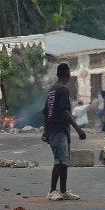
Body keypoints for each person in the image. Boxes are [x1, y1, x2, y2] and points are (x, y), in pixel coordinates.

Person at [42, 63, 86, 201]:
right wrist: (78, 128)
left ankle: (63, 190)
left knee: (64, 161)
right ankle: (52, 191)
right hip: (59, 129)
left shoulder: (52, 89)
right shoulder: (62, 89)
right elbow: (64, 111)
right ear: (68, 75)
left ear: (57, 75)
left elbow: (45, 112)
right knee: (60, 161)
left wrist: (45, 130)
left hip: (54, 129)